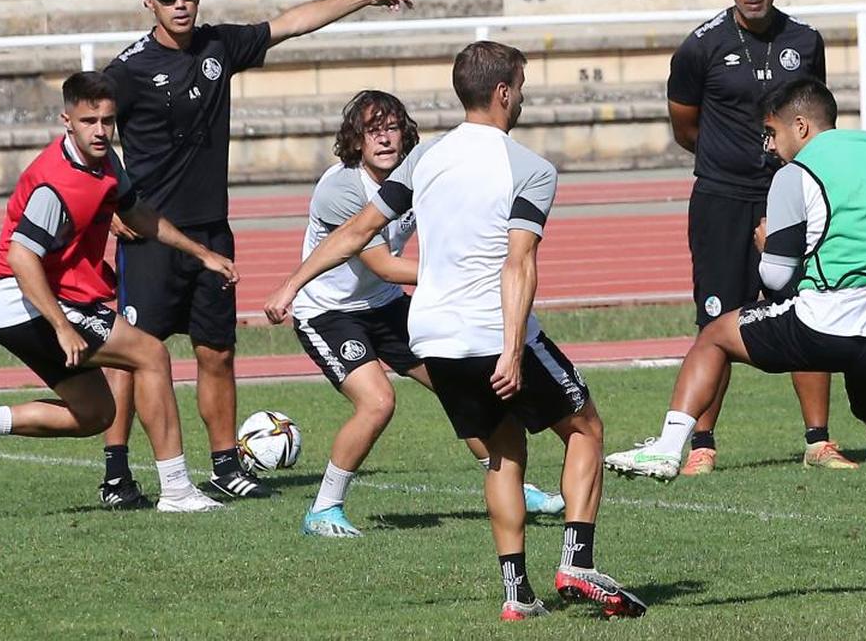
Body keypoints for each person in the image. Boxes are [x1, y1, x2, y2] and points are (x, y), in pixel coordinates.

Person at [266, 42, 645, 621]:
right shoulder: (531, 168)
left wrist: (290, 284)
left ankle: (517, 596)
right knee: (585, 428)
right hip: (491, 333)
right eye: (520, 85)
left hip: (433, 337)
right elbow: (519, 264)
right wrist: (515, 350)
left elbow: (354, 232)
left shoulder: (425, 160)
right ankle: (576, 561)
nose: (522, 95)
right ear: (502, 93)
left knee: (503, 454)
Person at [605, 78, 866, 601]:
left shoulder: (794, 174)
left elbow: (777, 279)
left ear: (800, 126)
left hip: (826, 323)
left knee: (713, 336)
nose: (770, 146)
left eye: (771, 133)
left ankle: (669, 447)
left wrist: (763, 244)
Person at [98, 0, 418, 507]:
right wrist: (108, 208)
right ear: (148, 2)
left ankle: (225, 465)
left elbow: (293, 22)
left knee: (217, 352)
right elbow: (90, 135)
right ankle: (116, 472)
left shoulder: (218, 46)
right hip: (149, 234)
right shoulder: (126, 71)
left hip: (211, 235)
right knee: (136, 354)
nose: (181, 3)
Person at [0, 72, 238, 513]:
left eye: (108, 121)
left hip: (34, 302)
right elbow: (21, 258)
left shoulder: (107, 164)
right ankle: (177, 490)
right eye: (89, 120)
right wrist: (61, 327)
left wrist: (201, 253)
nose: (100, 130)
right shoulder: (56, 184)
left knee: (94, 413)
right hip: (24, 302)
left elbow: (139, 215)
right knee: (151, 355)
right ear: (66, 121)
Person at [287, 89, 564, 538]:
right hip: (330, 313)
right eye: (371, 131)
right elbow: (382, 263)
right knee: (378, 401)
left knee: (457, 382)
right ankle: (323, 509)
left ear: (406, 133)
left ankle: (511, 479)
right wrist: (467, 271)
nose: (383, 139)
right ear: (355, 141)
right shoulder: (342, 187)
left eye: (391, 127)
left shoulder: (421, 171)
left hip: (385, 304)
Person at [665, 0, 855, 475]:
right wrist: (732, 163)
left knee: (809, 304)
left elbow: (813, 115)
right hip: (721, 199)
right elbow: (687, 126)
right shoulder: (700, 46)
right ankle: (702, 444)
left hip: (794, 193)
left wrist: (784, 177)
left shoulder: (805, 40)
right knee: (716, 317)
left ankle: (818, 440)